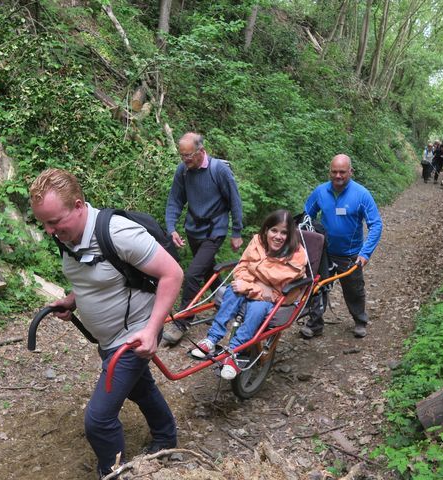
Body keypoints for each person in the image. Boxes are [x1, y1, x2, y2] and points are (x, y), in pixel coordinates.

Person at [29, 168, 182, 479]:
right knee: (140, 389)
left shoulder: (119, 234)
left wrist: (152, 331)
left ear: (79, 206)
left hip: (133, 335)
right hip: (109, 338)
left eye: (55, 222)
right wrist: (72, 300)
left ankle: (112, 473)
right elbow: (97, 275)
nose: (49, 231)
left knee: (98, 420)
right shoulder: (68, 234)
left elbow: (173, 274)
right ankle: (166, 436)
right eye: (44, 223)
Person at [190, 210, 307, 379]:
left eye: (284, 233)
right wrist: (250, 284)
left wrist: (252, 287)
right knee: (233, 290)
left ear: (290, 235)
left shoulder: (296, 255)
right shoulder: (257, 241)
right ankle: (212, 339)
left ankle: (235, 352)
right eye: (274, 230)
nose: (278, 236)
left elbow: (281, 288)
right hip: (254, 287)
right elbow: (242, 266)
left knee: (257, 308)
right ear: (266, 230)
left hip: (273, 297)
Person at [163, 132, 244, 345]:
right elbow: (174, 202)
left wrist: (236, 232)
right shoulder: (183, 171)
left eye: (188, 155)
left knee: (192, 275)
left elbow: (235, 201)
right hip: (193, 229)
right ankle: (225, 301)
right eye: (182, 156)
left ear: (201, 151)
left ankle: (182, 322)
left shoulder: (219, 171)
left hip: (214, 230)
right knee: (208, 269)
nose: (185, 159)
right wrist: (172, 228)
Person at [299, 154, 382, 339]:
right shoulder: (320, 192)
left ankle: (360, 321)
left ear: (350, 172)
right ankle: (314, 324)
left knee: (354, 289)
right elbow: (306, 219)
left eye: (342, 172)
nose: (338, 176)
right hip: (324, 252)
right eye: (334, 172)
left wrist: (365, 253)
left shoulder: (361, 194)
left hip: (350, 254)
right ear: (329, 172)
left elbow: (376, 224)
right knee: (317, 287)